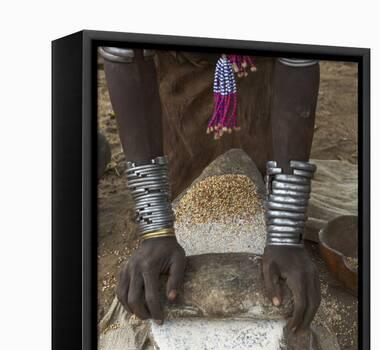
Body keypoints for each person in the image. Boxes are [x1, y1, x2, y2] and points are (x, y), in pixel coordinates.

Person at [100, 47, 321, 331]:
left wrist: (286, 234)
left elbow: (299, 54)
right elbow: (122, 53)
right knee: (184, 185)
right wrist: (155, 230)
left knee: (259, 187)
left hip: (256, 67)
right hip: (180, 70)